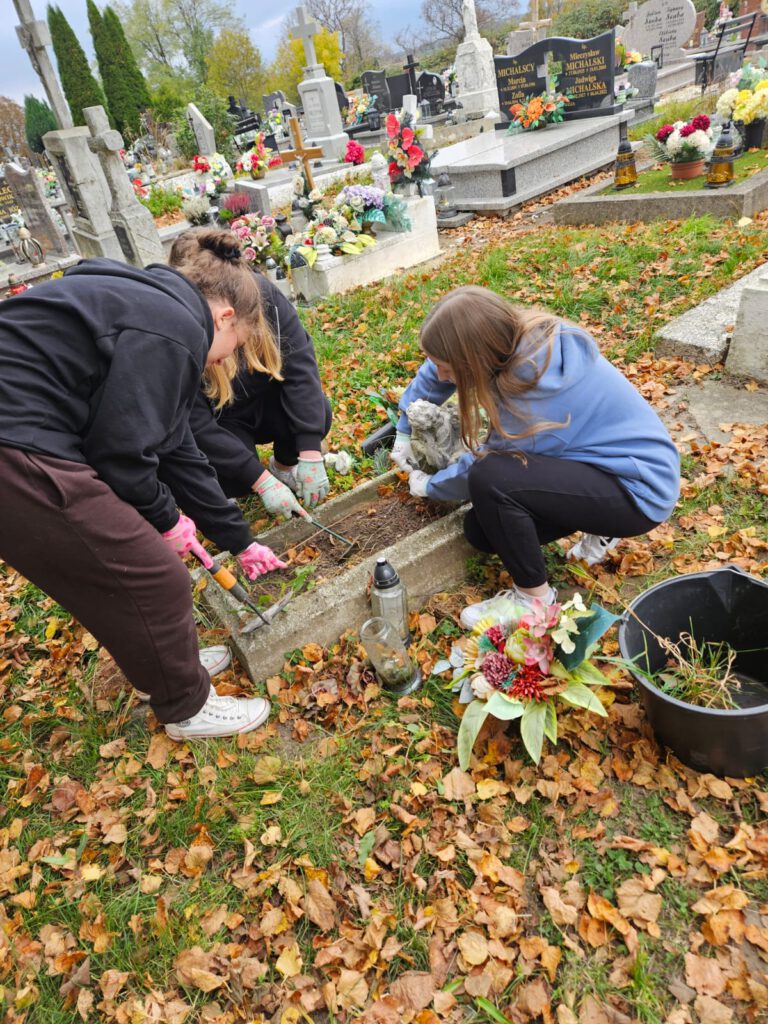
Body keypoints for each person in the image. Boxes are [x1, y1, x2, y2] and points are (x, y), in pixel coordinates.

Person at [0, 230, 288, 741]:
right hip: (17, 446)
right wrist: (166, 519)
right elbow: (121, 455)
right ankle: (186, 707)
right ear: (224, 317)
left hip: (24, 436)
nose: (221, 361)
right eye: (232, 347)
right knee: (155, 578)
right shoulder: (174, 329)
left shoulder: (152, 304)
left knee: (116, 575)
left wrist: (239, 539)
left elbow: (177, 447)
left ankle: (165, 668)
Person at [391, 286, 680, 629]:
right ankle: (599, 525)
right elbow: (434, 369)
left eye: (447, 368)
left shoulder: (534, 394)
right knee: (481, 532)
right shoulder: (511, 341)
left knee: (490, 477)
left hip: (638, 490)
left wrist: (430, 486)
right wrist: (405, 426)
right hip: (597, 466)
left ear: (474, 359)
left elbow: (482, 468)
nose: (441, 376)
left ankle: (532, 601)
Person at [169, 231, 332, 520]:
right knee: (233, 478)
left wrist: (309, 450)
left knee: (318, 411)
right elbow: (196, 424)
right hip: (225, 418)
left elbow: (300, 368)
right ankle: (253, 480)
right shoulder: (179, 332)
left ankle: (284, 466)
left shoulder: (259, 295)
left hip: (269, 400)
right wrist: (258, 479)